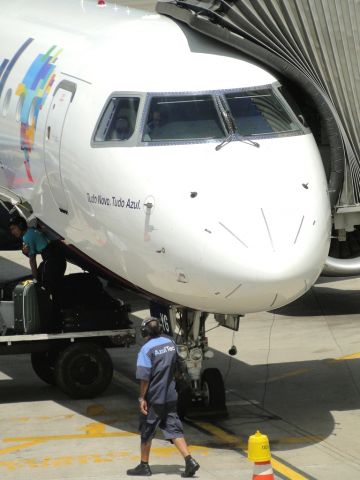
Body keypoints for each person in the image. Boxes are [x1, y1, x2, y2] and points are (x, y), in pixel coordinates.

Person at [127, 316, 200, 477]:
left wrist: (141, 398)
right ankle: (189, 460)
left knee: (147, 430)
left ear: (145, 331)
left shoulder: (146, 350)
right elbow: (179, 365)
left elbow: (144, 378)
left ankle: (144, 465)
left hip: (155, 398)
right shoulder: (170, 343)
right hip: (170, 395)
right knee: (174, 428)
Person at [9, 216, 66, 307]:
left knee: (44, 287)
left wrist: (35, 280)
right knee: (55, 288)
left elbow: (32, 260)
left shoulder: (27, 237)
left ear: (21, 226)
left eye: (13, 229)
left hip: (52, 261)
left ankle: (50, 311)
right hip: (58, 259)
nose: (12, 232)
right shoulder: (31, 231)